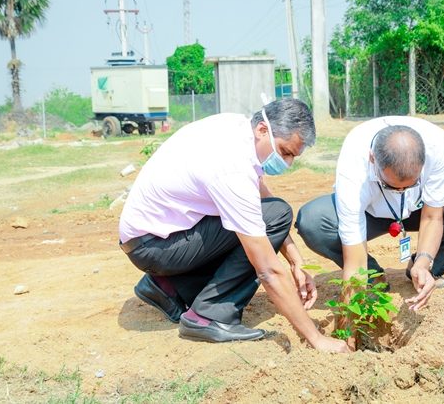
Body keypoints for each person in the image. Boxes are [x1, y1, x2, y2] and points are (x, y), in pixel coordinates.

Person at [118, 98, 349, 353]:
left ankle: (170, 287)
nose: (287, 163)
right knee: (271, 220)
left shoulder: (236, 127)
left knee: (273, 211)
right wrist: (317, 339)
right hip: (156, 247)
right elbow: (268, 271)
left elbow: (263, 197)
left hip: (153, 238)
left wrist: (295, 259)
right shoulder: (231, 167)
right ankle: (210, 315)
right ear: (263, 130)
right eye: (285, 152)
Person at [295, 116, 444, 310]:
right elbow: (352, 246)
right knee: (313, 221)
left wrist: (424, 262)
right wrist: (350, 321)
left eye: (411, 184)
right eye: (392, 186)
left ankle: (423, 271)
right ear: (372, 159)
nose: (401, 191)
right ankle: (372, 276)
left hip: (419, 207)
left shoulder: (438, 146)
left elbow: (433, 216)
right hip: (371, 213)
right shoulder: (354, 160)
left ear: (424, 162)